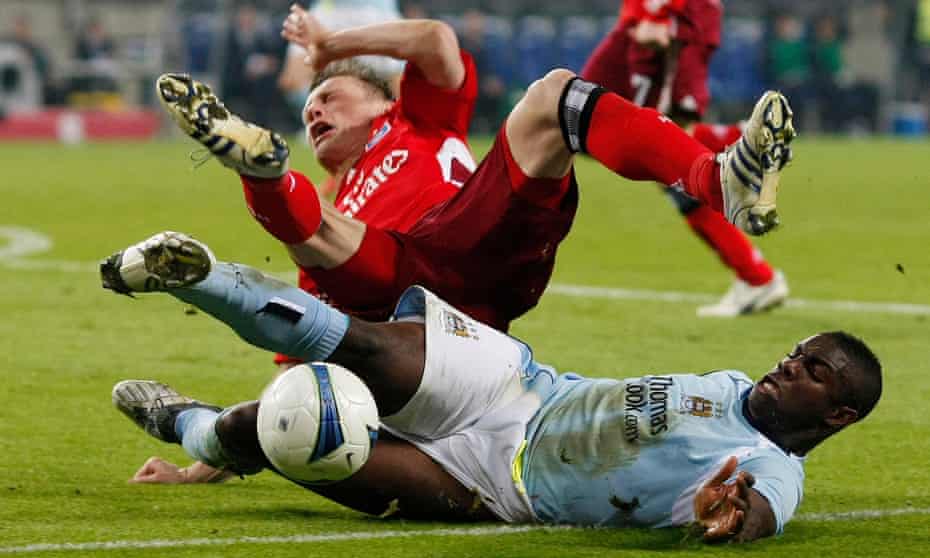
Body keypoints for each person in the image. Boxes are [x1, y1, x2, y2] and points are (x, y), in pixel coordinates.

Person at [102, 231, 882, 543]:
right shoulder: (734, 384)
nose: (789, 366)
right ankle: (204, 278)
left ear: (839, 414)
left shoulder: (770, 465)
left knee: (288, 431)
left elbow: (759, 517)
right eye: (795, 352)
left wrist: (727, 521)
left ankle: (191, 432)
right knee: (364, 341)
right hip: (517, 390)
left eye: (813, 372)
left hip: (494, 486)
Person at [154, 6, 794, 343]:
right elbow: (304, 355)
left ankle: (719, 181)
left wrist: (333, 48)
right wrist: (215, 454)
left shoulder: (414, 121)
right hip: (413, 314)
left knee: (553, 94)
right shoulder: (334, 213)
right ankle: (261, 171)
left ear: (383, 102)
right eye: (307, 107)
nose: (315, 107)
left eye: (331, 95)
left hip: (475, 235)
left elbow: (434, 39)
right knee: (317, 255)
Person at [582, 0, 790, 317]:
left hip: (672, 23)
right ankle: (743, 140)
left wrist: (655, 11)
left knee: (649, 140)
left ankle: (755, 275)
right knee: (605, 124)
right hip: (653, 24)